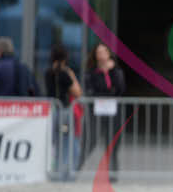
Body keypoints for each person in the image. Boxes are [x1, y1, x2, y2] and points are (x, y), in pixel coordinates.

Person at [84, 43, 127, 181]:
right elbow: (90, 91)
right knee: (89, 143)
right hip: (96, 114)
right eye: (99, 52)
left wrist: (112, 71)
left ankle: (112, 176)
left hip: (113, 114)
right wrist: (106, 94)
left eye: (104, 51)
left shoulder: (116, 71)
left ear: (109, 54)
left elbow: (120, 90)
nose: (102, 55)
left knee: (112, 146)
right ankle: (75, 170)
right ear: (95, 55)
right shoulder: (91, 72)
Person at [44, 45, 83, 179]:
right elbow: (77, 92)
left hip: (52, 111)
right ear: (65, 58)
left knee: (55, 142)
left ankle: (55, 171)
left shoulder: (48, 73)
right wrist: (72, 75)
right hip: (64, 111)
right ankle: (64, 173)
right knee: (67, 142)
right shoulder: (65, 73)